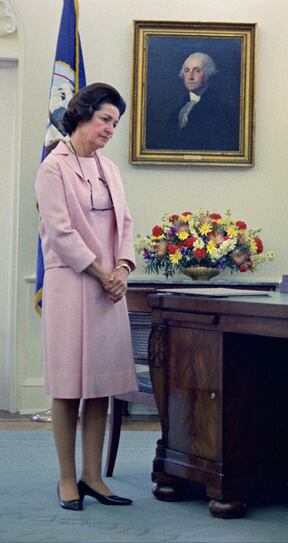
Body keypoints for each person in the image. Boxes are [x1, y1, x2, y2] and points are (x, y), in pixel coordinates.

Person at [35, 82, 137, 510]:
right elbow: (60, 232)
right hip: (71, 283)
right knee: (67, 387)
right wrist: (99, 272)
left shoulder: (110, 169)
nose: (111, 129)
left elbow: (126, 224)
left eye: (115, 122)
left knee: (100, 386)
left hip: (108, 290)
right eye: (105, 119)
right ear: (82, 115)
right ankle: (66, 479)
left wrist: (122, 269)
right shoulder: (52, 168)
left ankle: (93, 477)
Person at [148, 51, 239, 151]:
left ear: (208, 74)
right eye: (187, 70)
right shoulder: (177, 112)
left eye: (197, 71)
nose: (190, 77)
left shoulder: (222, 112)